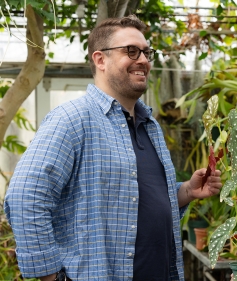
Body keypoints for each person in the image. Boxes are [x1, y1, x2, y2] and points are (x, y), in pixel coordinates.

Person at [4, 15, 222, 281]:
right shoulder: (72, 120)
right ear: (100, 60)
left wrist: (186, 191)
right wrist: (51, 277)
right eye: (131, 51)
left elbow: (131, 201)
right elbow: (26, 197)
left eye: (146, 52)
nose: (143, 59)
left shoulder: (149, 125)